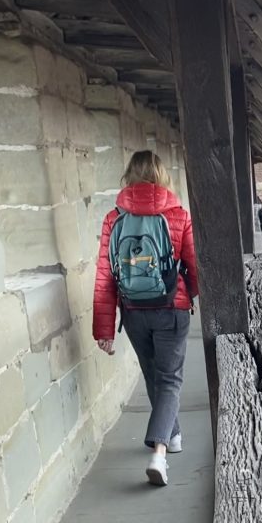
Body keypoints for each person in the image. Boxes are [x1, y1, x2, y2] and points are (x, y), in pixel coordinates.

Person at [93, 150, 198, 487]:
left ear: (129, 176)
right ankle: (160, 452)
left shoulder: (113, 218)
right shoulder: (178, 215)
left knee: (154, 375)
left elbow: (105, 276)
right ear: (161, 176)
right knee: (169, 380)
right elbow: (195, 266)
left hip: (134, 311)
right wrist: (189, 295)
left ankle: (174, 435)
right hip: (171, 308)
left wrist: (104, 328)